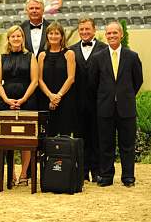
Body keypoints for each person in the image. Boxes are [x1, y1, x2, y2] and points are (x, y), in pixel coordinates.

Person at [89, 22, 143, 187]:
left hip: (126, 108)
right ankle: (106, 176)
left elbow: (138, 81)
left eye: (115, 33)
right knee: (106, 144)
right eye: (109, 33)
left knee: (127, 145)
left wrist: (124, 96)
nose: (111, 36)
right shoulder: (98, 57)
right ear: (105, 35)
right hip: (105, 108)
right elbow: (93, 83)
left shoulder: (132, 56)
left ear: (122, 35)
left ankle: (128, 177)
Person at [0, 25, 39, 186]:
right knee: (7, 139)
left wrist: (23, 99)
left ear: (22, 38)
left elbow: (34, 81)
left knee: (26, 139)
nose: (16, 39)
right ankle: (11, 173)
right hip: (6, 102)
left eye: (18, 36)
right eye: (13, 36)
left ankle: (24, 174)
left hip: (27, 101)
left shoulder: (30, 56)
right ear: (8, 39)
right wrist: (6, 99)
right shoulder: (2, 57)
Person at [69, 18, 107, 182]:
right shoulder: (70, 50)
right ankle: (82, 171)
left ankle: (97, 171)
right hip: (77, 103)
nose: (84, 32)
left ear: (94, 29)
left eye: (87, 29)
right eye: (81, 29)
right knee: (79, 138)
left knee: (96, 138)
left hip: (98, 102)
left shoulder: (104, 49)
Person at [37, 22, 76, 137]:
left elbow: (71, 78)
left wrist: (57, 96)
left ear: (62, 36)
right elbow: (39, 79)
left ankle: (63, 156)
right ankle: (49, 156)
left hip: (65, 99)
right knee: (48, 134)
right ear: (47, 36)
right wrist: (50, 96)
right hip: (46, 99)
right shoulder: (42, 55)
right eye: (51, 33)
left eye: (57, 33)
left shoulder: (69, 54)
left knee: (65, 134)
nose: (53, 36)